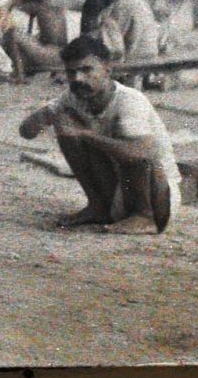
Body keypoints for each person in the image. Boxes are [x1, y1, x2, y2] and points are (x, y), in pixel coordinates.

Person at [17, 35, 181, 236]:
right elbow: (26, 132)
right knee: (66, 128)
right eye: (71, 72)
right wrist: (46, 115)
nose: (77, 78)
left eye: (86, 70)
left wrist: (84, 133)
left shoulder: (129, 100)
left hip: (159, 200)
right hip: (119, 191)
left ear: (107, 69)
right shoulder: (74, 96)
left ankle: (143, 217)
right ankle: (98, 207)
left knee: (131, 145)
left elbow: (139, 153)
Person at [0, 0, 70, 80]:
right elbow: (49, 39)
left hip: (52, 56)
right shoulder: (54, 10)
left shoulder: (42, 10)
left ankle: (19, 75)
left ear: (33, 4)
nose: (24, 11)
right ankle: (27, 69)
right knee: (22, 41)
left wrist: (11, 6)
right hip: (62, 57)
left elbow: (15, 6)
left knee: (12, 34)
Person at [97, 0, 163, 61]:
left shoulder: (125, 4)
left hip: (133, 63)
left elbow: (115, 45)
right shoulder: (143, 5)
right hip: (150, 60)